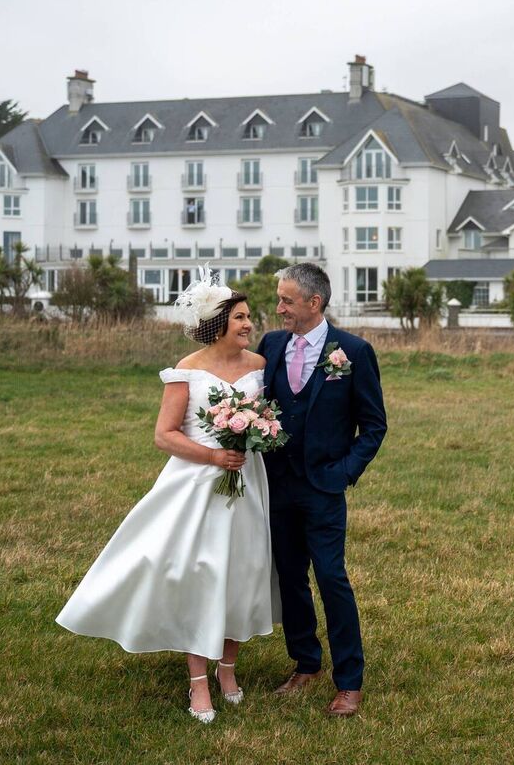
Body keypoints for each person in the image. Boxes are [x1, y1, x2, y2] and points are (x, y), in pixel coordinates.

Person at [56, 270, 278, 724]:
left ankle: (228, 669)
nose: (248, 324)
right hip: (196, 485)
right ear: (218, 324)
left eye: (249, 317)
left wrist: (254, 438)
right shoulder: (187, 370)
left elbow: (264, 418)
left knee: (244, 568)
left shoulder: (258, 367)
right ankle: (198, 681)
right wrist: (214, 457)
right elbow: (164, 435)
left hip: (248, 482)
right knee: (198, 573)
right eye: (240, 317)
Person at [256, 263, 387, 717]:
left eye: (287, 300)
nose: (279, 308)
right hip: (276, 485)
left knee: (331, 578)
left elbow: (373, 425)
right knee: (290, 577)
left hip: (324, 488)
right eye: (279, 299)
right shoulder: (271, 344)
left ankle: (349, 681)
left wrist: (344, 471)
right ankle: (305, 663)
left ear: (315, 303)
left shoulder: (352, 352)